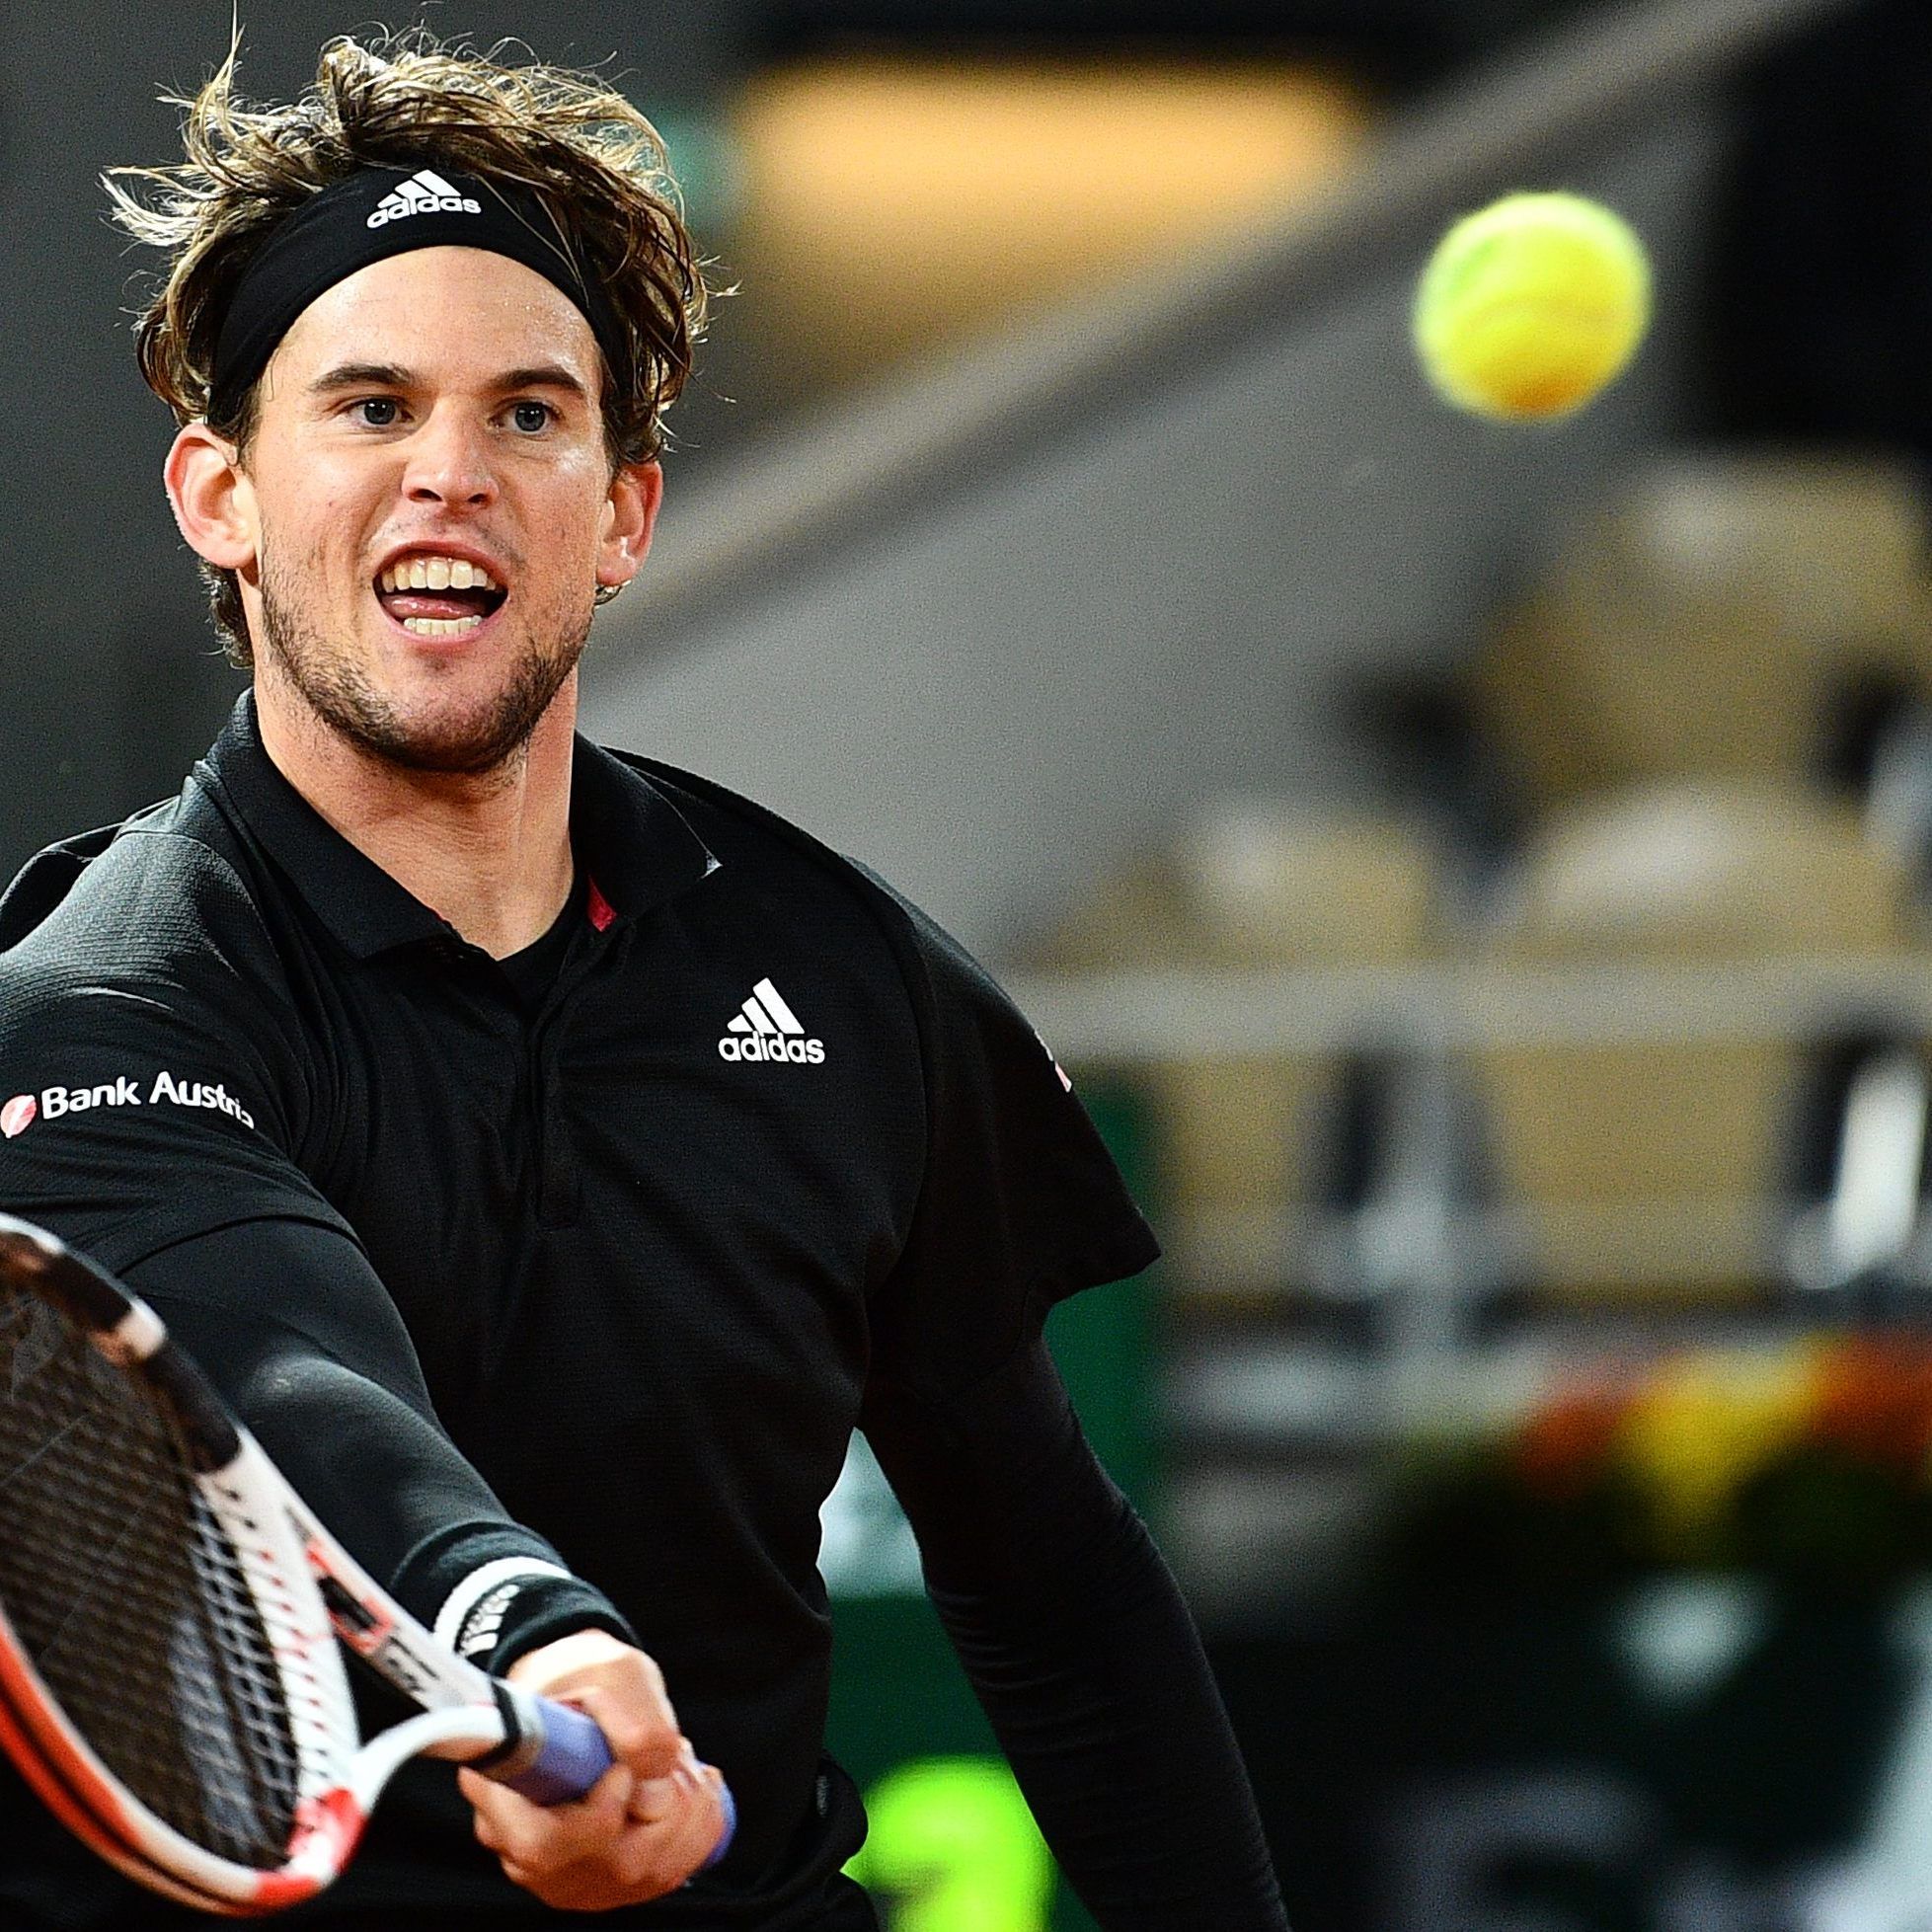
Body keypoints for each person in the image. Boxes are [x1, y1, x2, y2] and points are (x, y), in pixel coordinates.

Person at [0, 31, 1289, 1931]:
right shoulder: (88, 1009)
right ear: (222, 496)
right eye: (366, 407)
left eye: (529, 414)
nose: (451, 472)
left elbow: (1056, 1582)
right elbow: (277, 1363)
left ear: (622, 514)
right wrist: (530, 1632)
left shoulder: (842, 976)